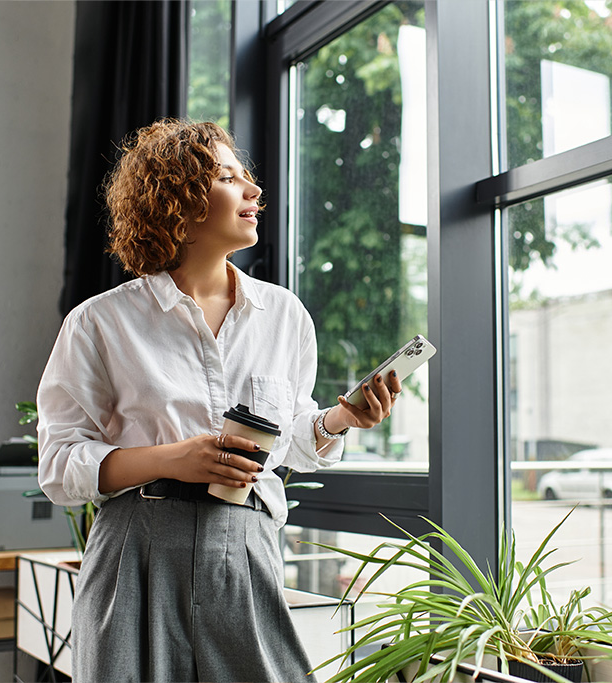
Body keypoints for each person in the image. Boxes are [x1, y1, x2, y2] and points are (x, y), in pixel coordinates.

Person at [36, 119, 404, 682]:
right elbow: (60, 467)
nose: (255, 191)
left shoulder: (285, 316)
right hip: (137, 551)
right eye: (230, 178)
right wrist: (170, 460)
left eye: (247, 177)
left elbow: (292, 440)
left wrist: (340, 419)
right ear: (178, 202)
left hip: (247, 548)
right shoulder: (99, 323)